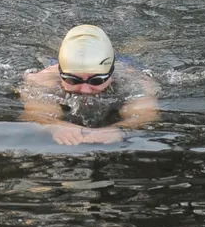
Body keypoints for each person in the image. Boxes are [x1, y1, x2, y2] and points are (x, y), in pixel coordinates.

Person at [19, 24, 160, 146]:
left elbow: (145, 115)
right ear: (60, 73)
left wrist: (120, 129)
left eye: (96, 81)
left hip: (126, 63)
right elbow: (35, 113)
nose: (85, 90)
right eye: (73, 80)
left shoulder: (136, 80)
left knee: (136, 47)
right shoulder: (41, 80)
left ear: (111, 74)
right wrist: (56, 126)